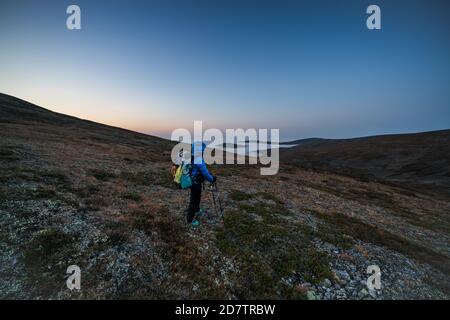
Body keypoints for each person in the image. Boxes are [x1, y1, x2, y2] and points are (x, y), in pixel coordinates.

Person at [187, 142, 216, 226]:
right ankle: (190, 219)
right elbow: (205, 173)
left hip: (192, 181)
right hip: (195, 182)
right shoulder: (198, 159)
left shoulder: (191, 157)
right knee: (194, 199)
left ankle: (197, 209)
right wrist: (212, 179)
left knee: (197, 196)